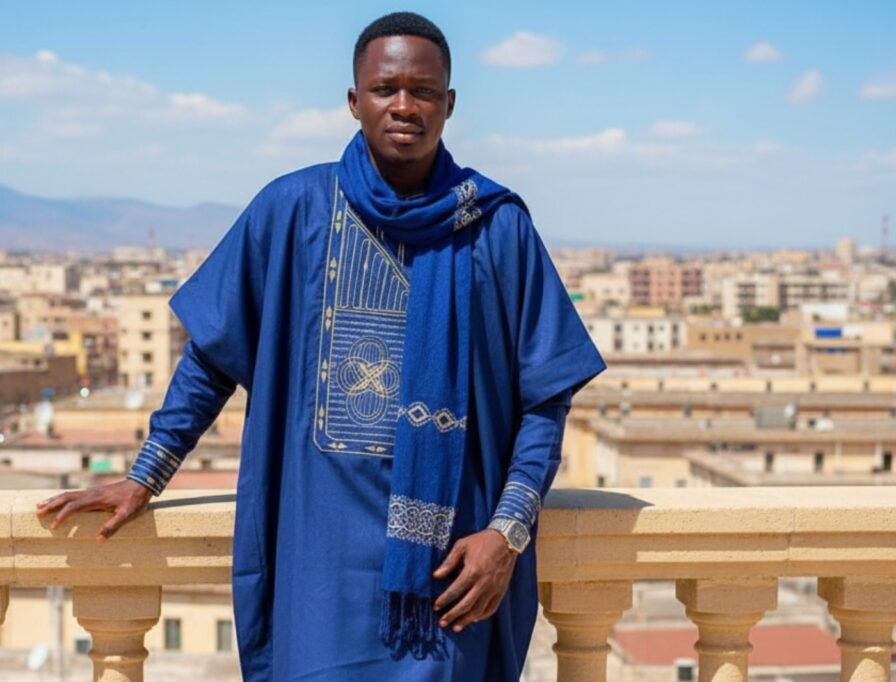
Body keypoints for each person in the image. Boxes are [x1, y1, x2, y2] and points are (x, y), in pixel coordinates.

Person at [37, 11, 604, 681]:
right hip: (317, 576)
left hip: (450, 583)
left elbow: (545, 398)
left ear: (449, 104)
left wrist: (507, 534)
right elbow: (212, 358)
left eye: (423, 91)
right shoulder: (291, 211)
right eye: (385, 88)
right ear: (354, 100)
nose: (404, 105)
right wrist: (145, 475)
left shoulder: (496, 229)